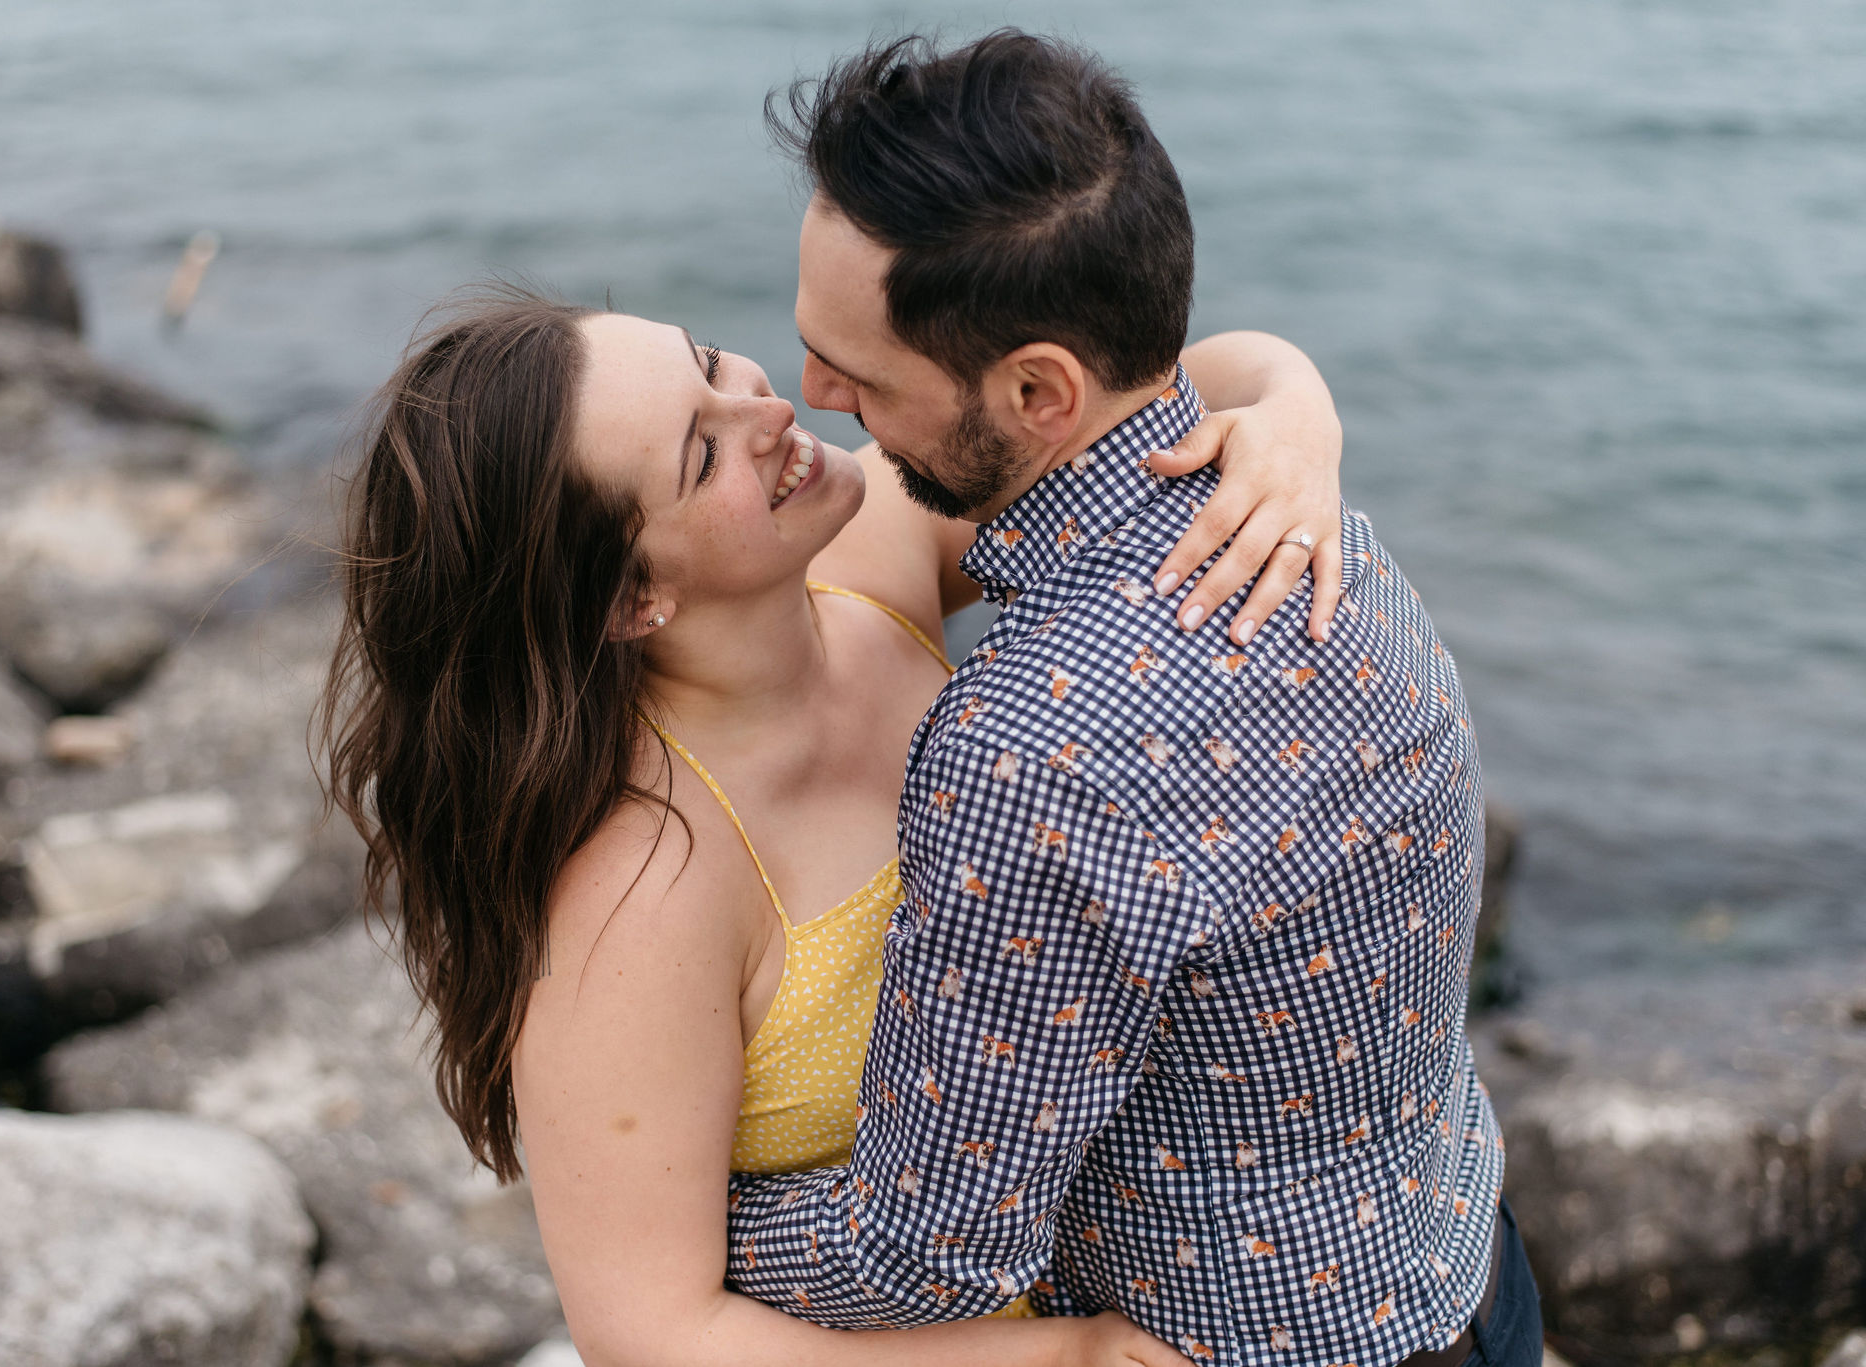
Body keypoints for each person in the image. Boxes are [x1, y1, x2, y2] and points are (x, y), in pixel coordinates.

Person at [713, 31, 1542, 1367]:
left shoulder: (1026, 745)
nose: (817, 399)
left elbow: (930, 1248)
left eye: (858, 373)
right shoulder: (1331, 534)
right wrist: (1296, 392)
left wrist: (682, 1218)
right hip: (1473, 1273)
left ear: (1040, 389)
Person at [320, 300, 1348, 1364]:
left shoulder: (872, 555)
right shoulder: (635, 895)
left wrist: (1297, 421)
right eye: (699, 449)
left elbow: (1152, 396)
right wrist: (1055, 1357)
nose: (761, 407)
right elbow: (648, 1329)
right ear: (632, 597)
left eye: (708, 360)